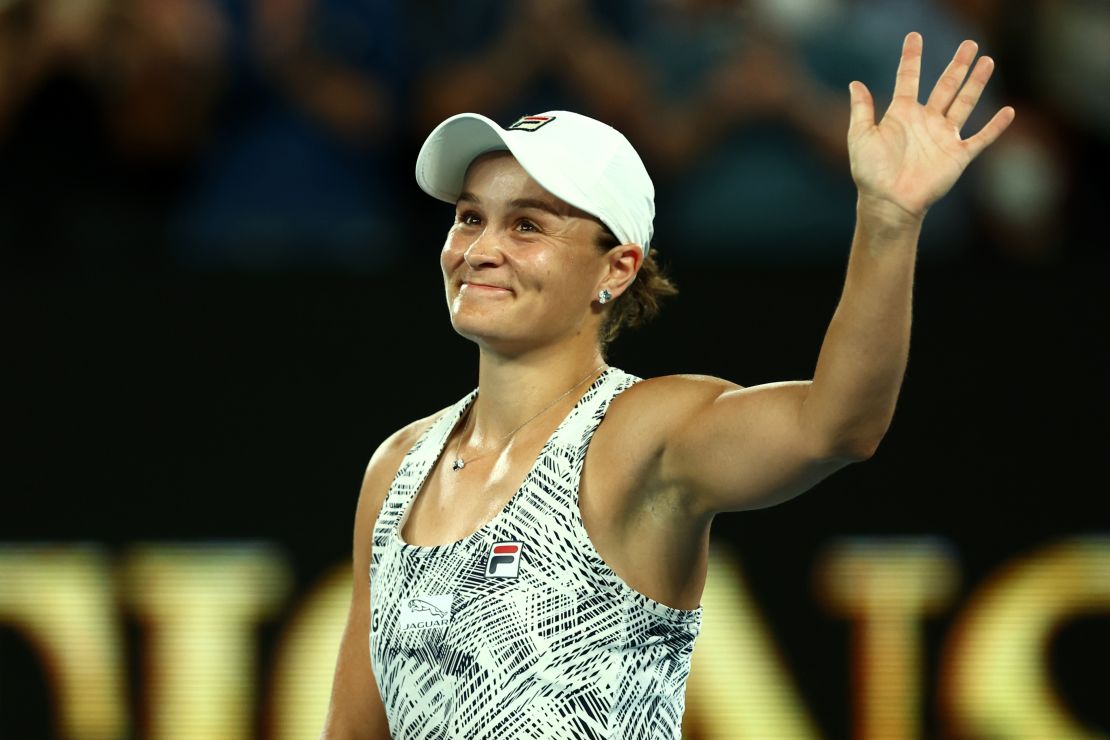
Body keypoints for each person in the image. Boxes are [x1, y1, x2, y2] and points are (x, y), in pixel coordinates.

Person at [319, 32, 1014, 739]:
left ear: (616, 270)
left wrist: (889, 221)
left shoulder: (641, 434)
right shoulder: (398, 465)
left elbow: (837, 425)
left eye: (527, 225)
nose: (480, 250)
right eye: (470, 217)